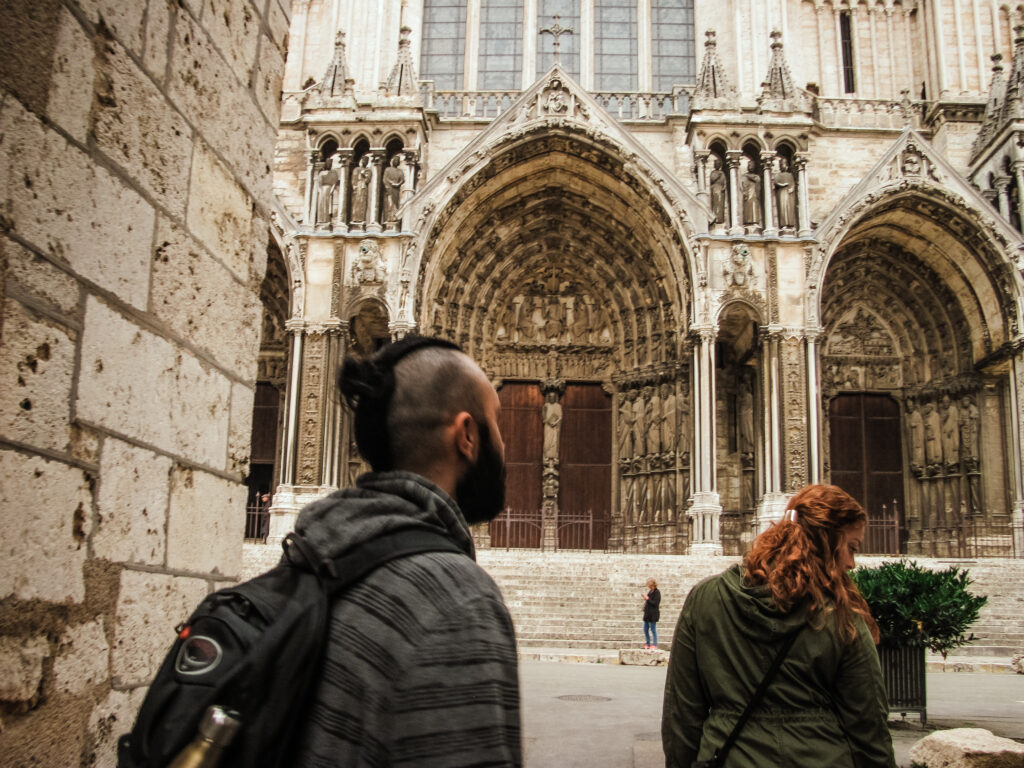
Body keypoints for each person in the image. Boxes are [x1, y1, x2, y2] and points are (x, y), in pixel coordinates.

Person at [291, 335, 521, 767]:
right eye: (498, 423)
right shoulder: (458, 602)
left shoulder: (311, 558)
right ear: (467, 435)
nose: (506, 445)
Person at [662, 484, 895, 768]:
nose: (852, 562)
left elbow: (682, 715)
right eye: (851, 548)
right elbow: (869, 725)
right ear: (826, 542)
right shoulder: (841, 615)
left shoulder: (705, 599)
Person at [642, 578, 661, 649]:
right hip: (647, 614)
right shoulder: (650, 592)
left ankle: (655, 644)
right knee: (645, 629)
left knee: (653, 629)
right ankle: (648, 643)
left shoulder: (657, 592)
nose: (650, 587)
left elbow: (655, 603)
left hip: (653, 614)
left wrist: (648, 599)